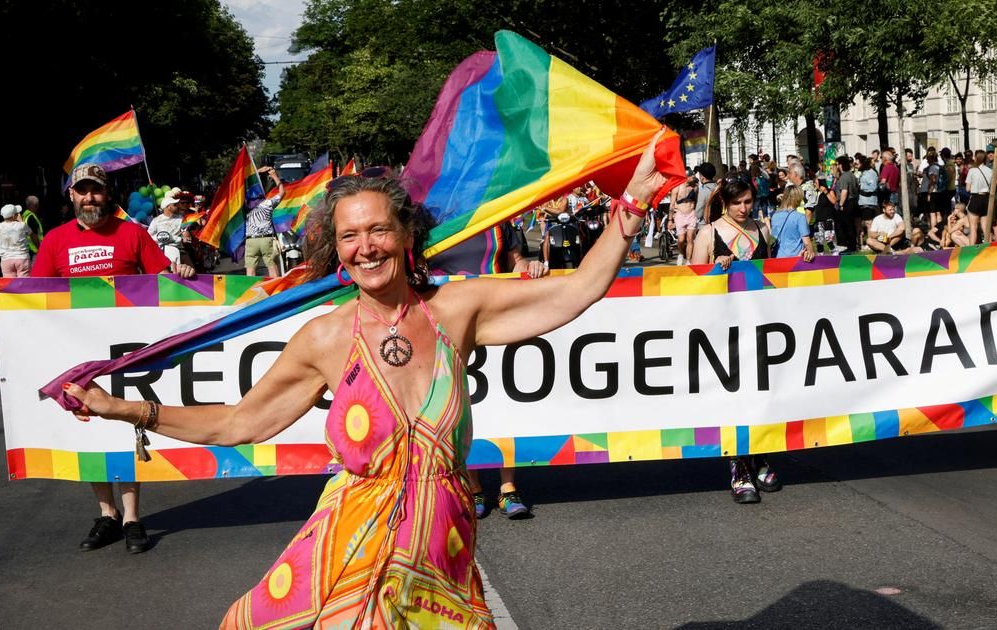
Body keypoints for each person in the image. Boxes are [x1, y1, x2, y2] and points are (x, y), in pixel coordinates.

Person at [57, 132, 671, 626]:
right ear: (336, 249)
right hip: (350, 554)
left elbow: (578, 292)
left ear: (407, 235)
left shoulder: (455, 311)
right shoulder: (326, 337)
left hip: (442, 553)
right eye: (350, 236)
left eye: (378, 230)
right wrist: (124, 409)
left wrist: (633, 203)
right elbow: (240, 421)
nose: (366, 247)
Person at [0, 163, 195, 554]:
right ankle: (107, 514)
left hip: (128, 356)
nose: (90, 198)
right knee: (91, 432)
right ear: (72, 195)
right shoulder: (57, 240)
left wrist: (181, 269)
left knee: (126, 426)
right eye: (82, 191)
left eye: (95, 190)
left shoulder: (133, 234)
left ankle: (132, 516)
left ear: (106, 193)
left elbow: (166, 282)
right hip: (77, 356)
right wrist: (0, 289)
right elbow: (34, 292)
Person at [428, 219, 548, 519]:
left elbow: (516, 261)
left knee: (505, 401)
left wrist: (529, 268)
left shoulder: (498, 218)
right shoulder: (429, 223)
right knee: (462, 405)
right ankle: (474, 487)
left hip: (496, 321)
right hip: (451, 324)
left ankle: (508, 489)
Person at [688, 179, 784, 504]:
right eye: (738, 203)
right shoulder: (708, 233)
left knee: (760, 391)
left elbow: (771, 271)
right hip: (722, 327)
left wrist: (806, 261)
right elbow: (690, 278)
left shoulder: (762, 229)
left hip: (757, 322)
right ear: (726, 203)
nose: (744, 209)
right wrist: (715, 268)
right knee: (734, 394)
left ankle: (760, 454)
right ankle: (738, 465)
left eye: (748, 202)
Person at [246, 166, 283, 277]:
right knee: (272, 267)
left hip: (251, 240)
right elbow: (282, 192)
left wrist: (258, 171)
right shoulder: (267, 204)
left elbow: (242, 183)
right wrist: (274, 176)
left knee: (250, 271)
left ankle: (250, 291)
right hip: (266, 239)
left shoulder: (246, 206)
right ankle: (276, 290)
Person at [0, 204, 32, 277]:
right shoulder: (22, 225)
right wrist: (21, 221)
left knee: (9, 284)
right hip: (22, 258)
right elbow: (30, 233)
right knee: (24, 284)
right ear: (14, 216)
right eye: (17, 213)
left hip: (6, 259)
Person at [966, 150, 993, 243]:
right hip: (986, 198)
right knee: (986, 227)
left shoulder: (972, 171)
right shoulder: (990, 171)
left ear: (977, 158)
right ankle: (989, 248)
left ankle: (972, 250)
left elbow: (968, 189)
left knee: (973, 227)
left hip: (975, 198)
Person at [670, 176, 699, 265]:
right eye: (692, 176)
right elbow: (671, 204)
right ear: (686, 177)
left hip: (691, 214)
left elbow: (697, 201)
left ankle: (688, 260)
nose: (694, 177)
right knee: (681, 240)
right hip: (680, 214)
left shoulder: (695, 187)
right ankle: (681, 254)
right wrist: (670, 220)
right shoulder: (677, 187)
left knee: (690, 238)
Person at [856, 154, 880, 249]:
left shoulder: (871, 173)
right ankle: (861, 243)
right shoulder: (864, 173)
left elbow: (873, 187)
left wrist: (861, 187)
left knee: (869, 223)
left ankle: (871, 243)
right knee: (862, 223)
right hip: (862, 201)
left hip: (868, 202)